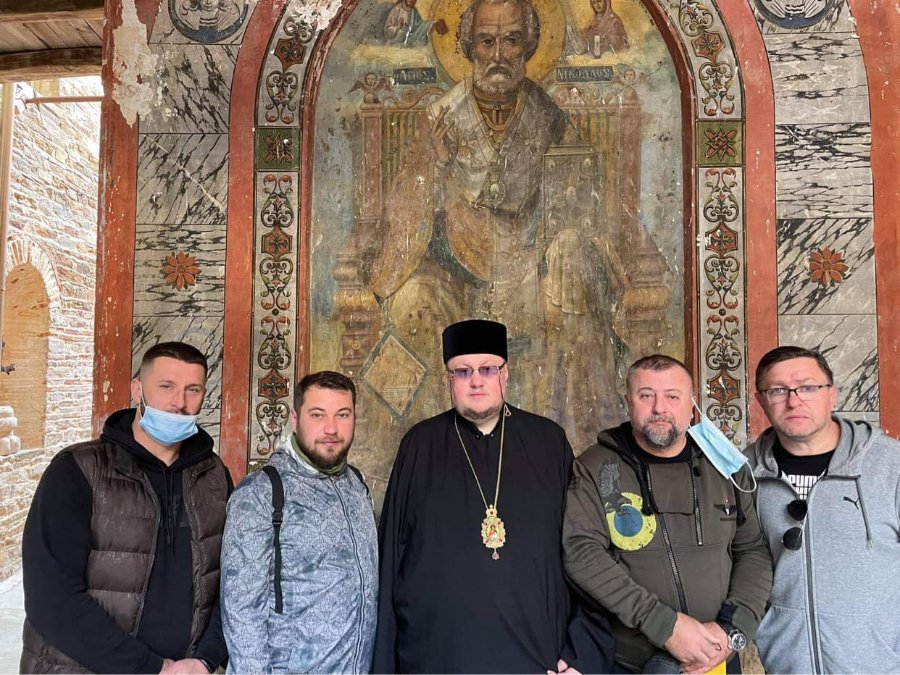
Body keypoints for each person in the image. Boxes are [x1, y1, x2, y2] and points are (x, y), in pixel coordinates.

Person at [374, 319, 613, 673]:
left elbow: (584, 550)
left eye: (488, 369)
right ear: (447, 379)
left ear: (506, 374)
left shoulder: (548, 442)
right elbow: (390, 562)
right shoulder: (419, 445)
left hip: (536, 660)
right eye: (462, 371)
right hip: (437, 661)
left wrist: (583, 654)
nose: (476, 380)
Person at [20, 342, 230, 674]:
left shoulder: (214, 476)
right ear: (137, 390)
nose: (179, 402)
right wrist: (151, 668)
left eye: (192, 390)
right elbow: (51, 600)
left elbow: (229, 582)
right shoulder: (77, 470)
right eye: (166, 386)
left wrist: (205, 659)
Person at [563, 354, 772, 673]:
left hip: (717, 656)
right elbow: (582, 553)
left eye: (672, 396)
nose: (659, 408)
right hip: (628, 662)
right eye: (646, 395)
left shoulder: (726, 466)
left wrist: (731, 630)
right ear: (628, 402)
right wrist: (664, 625)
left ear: (692, 404)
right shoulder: (595, 467)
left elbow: (752, 549)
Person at [747, 346, 900, 673]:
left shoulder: (891, 465)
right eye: (778, 391)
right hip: (787, 665)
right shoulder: (744, 475)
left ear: (832, 395)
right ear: (761, 402)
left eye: (808, 387)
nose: (794, 401)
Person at [221, 371, 378, 673]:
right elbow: (241, 615)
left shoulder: (357, 485)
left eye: (342, 415)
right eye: (317, 415)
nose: (331, 428)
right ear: (294, 419)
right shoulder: (262, 493)